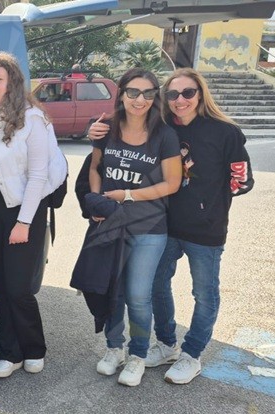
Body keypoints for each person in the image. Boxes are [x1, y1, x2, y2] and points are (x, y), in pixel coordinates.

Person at [90, 68, 254, 384]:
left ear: (200, 94)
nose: (180, 100)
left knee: (204, 292)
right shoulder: (163, 127)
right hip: (166, 224)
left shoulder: (225, 132)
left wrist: (209, 202)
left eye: (188, 93)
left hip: (205, 229)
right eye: (173, 94)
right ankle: (166, 344)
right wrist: (94, 129)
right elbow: (124, 132)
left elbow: (241, 181)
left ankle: (191, 355)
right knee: (155, 286)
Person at [0, 51, 68, 381]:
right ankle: (9, 353)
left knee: (19, 286)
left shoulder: (31, 117)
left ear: (12, 82)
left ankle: (34, 348)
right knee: (1, 284)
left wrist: (23, 222)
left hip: (25, 207)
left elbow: (38, 174)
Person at [87, 68, 182, 387]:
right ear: (122, 93)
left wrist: (128, 194)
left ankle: (138, 354)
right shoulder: (107, 128)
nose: (140, 99)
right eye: (133, 92)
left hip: (149, 227)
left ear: (155, 97)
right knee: (112, 291)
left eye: (148, 93)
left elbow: (173, 183)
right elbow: (95, 168)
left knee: (139, 296)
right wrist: (100, 201)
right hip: (112, 225)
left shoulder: (164, 134)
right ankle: (114, 349)